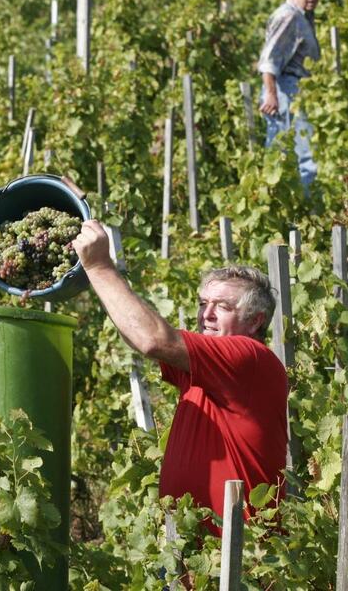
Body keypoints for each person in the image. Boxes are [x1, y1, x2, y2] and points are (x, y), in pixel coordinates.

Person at [71, 218, 288, 537]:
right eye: (203, 304)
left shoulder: (248, 357)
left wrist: (100, 266)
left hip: (240, 552)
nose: (206, 315)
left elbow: (152, 340)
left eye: (222, 307)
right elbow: (138, 337)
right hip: (197, 548)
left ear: (255, 321)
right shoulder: (209, 368)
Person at [258, 0, 321, 193]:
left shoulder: (302, 16)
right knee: (302, 158)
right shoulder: (290, 16)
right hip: (286, 91)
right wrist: (271, 94)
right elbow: (269, 61)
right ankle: (302, 210)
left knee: (287, 156)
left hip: (291, 90)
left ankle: (292, 207)